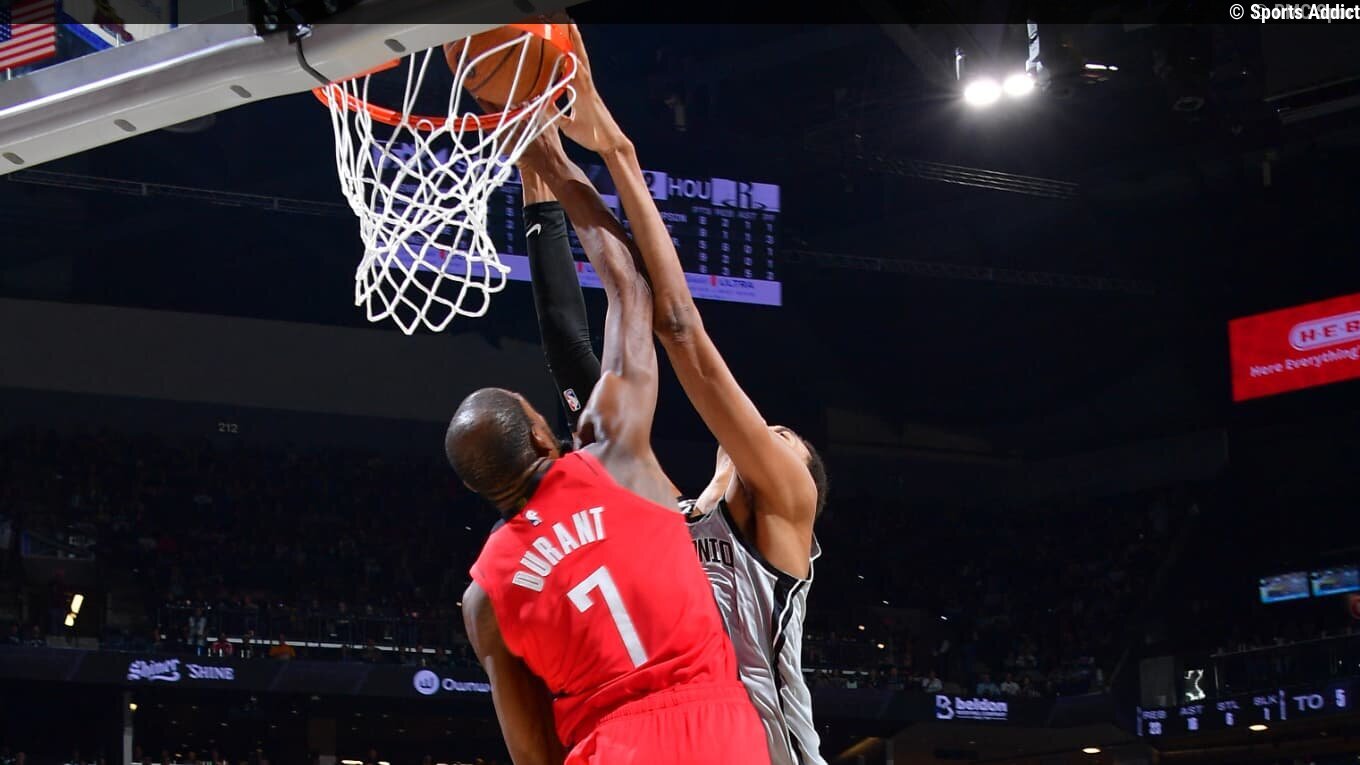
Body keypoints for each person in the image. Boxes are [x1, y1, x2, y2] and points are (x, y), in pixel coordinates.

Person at [525, 26, 830, 765]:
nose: (768, 432)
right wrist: (538, 151)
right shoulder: (667, 515)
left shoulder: (785, 502)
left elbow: (678, 328)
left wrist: (617, 151)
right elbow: (588, 334)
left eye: (782, 436)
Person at [448, 123, 767, 765]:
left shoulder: (484, 598)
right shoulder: (614, 454)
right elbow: (629, 288)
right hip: (718, 726)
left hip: (611, 745)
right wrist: (552, 159)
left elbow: (532, 753)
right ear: (541, 433)